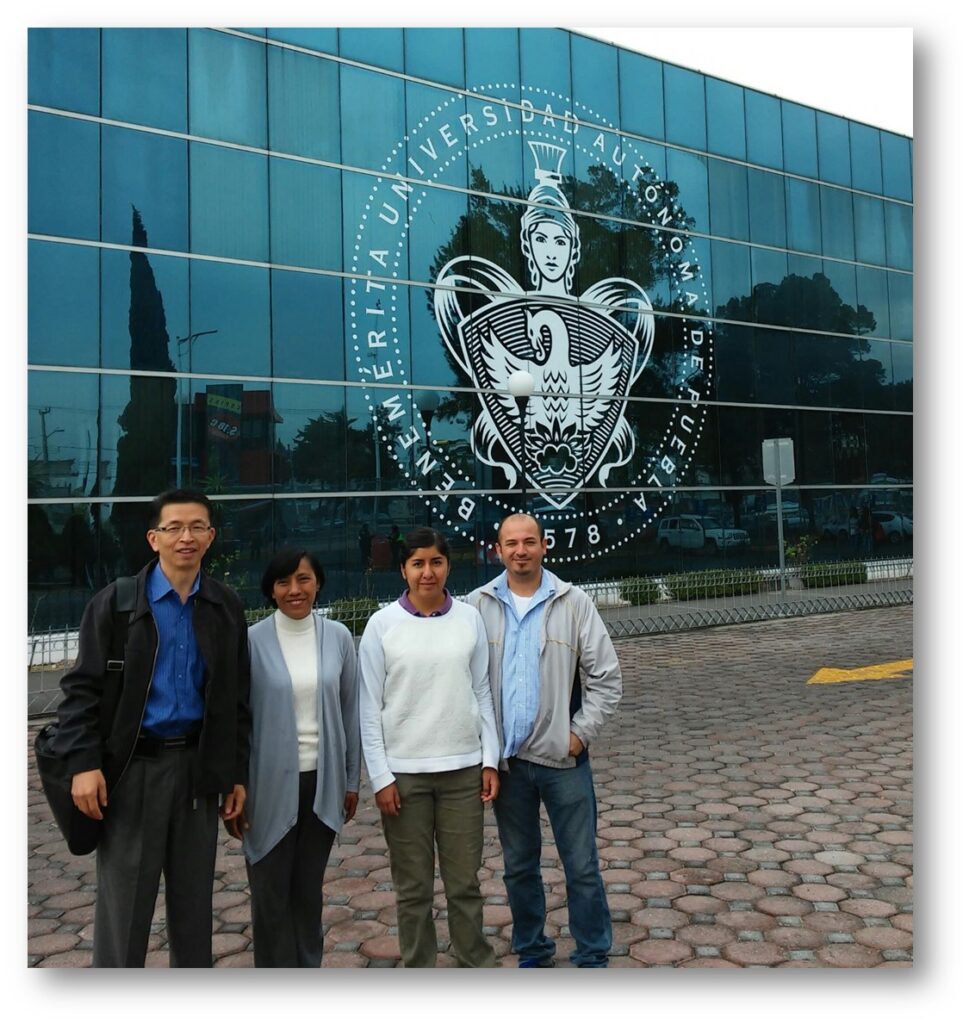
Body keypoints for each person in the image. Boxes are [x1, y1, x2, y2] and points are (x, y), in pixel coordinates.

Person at [52, 489, 250, 967]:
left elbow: (236, 701)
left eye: (197, 527)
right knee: (124, 914)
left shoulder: (224, 607)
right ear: (153, 538)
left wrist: (236, 772)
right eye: (175, 527)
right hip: (131, 774)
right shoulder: (117, 604)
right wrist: (83, 765)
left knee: (193, 912)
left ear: (211, 537)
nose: (187, 537)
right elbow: (81, 691)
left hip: (198, 775)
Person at [467, 513, 621, 968]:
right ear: (497, 550)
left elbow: (607, 679)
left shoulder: (573, 603)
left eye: (529, 542)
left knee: (582, 866)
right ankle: (533, 949)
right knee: (518, 867)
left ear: (544, 545)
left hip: (562, 762)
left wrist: (577, 735)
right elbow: (465, 682)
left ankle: (593, 952)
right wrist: (484, 753)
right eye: (511, 543)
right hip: (508, 765)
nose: (520, 550)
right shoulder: (477, 606)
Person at [358, 528, 499, 968]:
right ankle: (419, 967)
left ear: (447, 566)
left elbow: (482, 692)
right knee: (413, 888)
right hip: (405, 778)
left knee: (464, 883)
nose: (427, 572)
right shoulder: (382, 626)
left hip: (463, 772)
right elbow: (368, 708)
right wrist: (381, 777)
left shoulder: (469, 619)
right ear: (403, 569)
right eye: (417, 563)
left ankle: (475, 959)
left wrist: (490, 759)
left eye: (435, 562)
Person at [227, 548, 360, 967]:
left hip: (322, 784)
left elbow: (350, 710)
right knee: (270, 894)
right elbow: (236, 719)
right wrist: (234, 785)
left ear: (318, 582)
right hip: (267, 786)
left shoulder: (338, 637)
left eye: (303, 579)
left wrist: (352, 780)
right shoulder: (250, 641)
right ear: (270, 590)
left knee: (307, 893)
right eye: (283, 582)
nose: (294, 590)